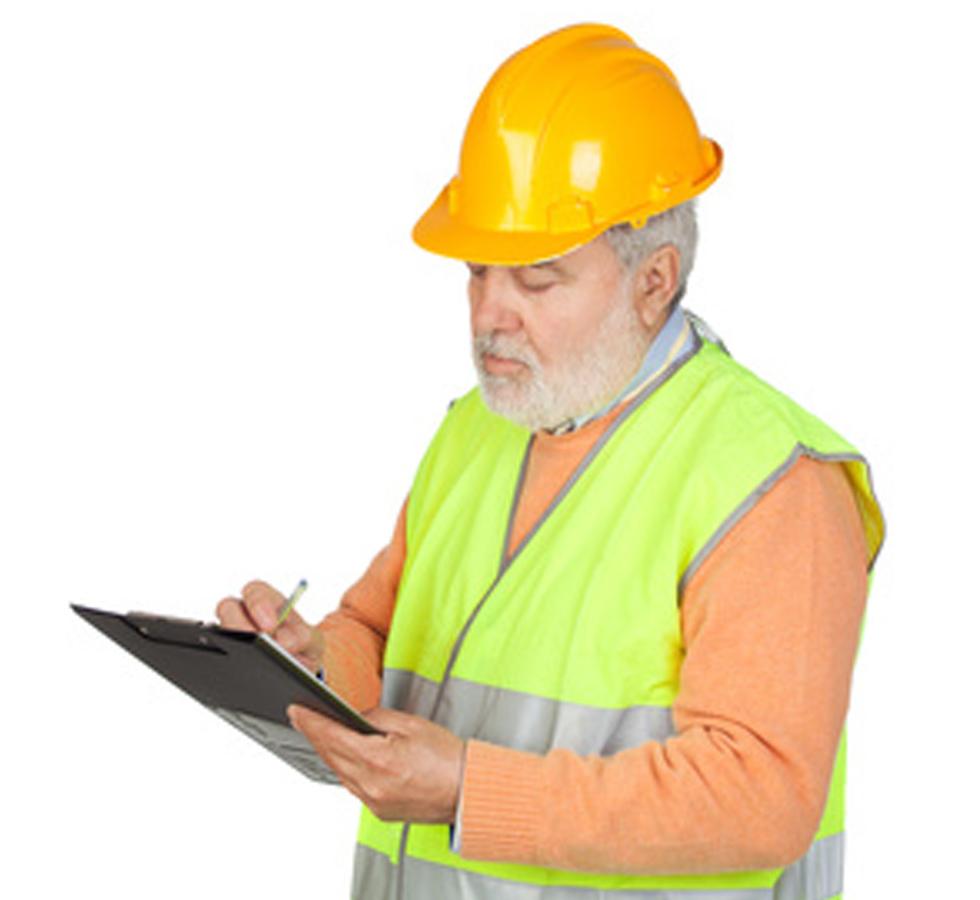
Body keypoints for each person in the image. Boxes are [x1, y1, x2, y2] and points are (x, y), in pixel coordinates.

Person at [217, 23, 884, 900]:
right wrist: (307, 664)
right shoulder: (479, 429)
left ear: (655, 280)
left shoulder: (769, 482)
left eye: (537, 280)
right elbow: (377, 635)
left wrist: (466, 789)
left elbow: (761, 795)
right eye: (477, 272)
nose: (490, 314)